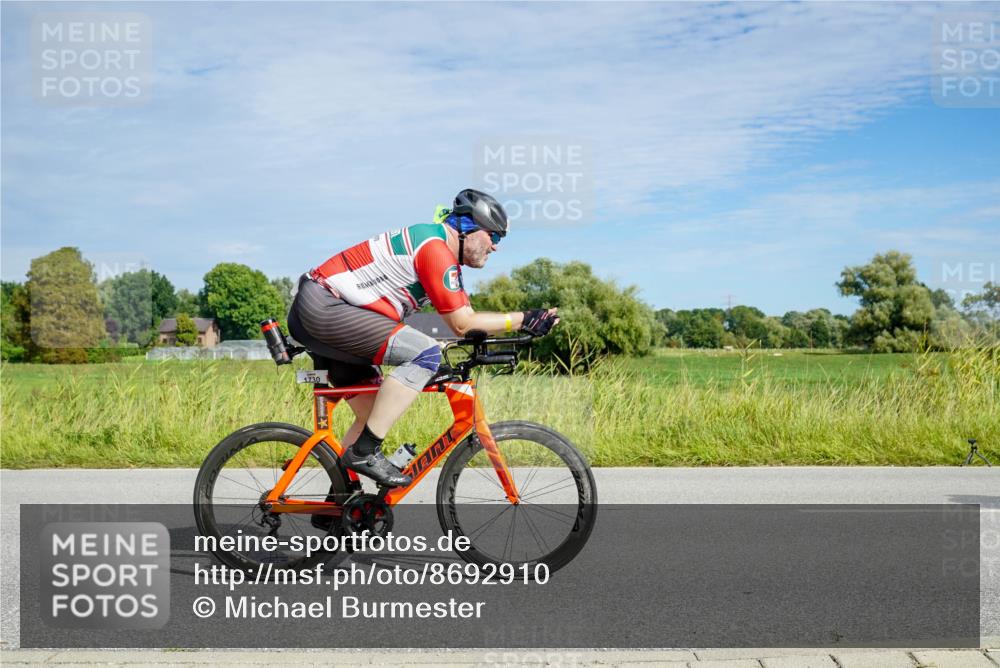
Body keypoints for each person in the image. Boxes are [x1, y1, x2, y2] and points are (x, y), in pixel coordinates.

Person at [286, 189, 559, 487]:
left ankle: (342, 499)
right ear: (467, 228)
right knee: (425, 352)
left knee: (373, 412)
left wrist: (503, 332)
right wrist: (524, 319)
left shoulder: (440, 251)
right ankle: (365, 452)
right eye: (494, 236)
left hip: (332, 312)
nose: (495, 246)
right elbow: (462, 324)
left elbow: (466, 319)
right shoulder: (435, 249)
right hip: (324, 307)